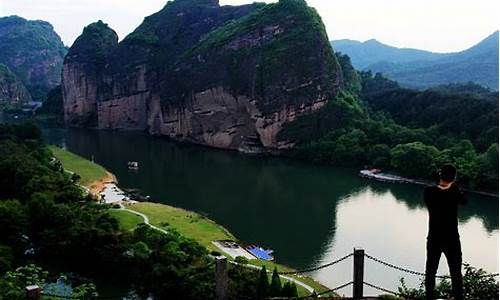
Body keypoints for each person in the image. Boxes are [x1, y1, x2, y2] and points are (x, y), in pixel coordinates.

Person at [424, 164, 466, 300]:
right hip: (452, 239)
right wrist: (453, 185)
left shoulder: (428, 192)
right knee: (456, 273)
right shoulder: (455, 192)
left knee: (430, 272)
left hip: (434, 238)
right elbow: (464, 201)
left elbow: (434, 192)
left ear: (440, 175)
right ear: (454, 178)